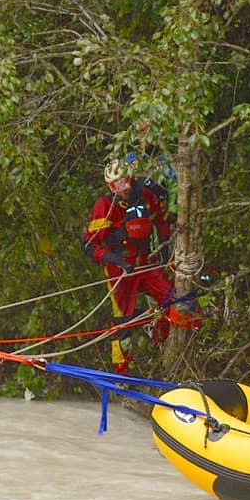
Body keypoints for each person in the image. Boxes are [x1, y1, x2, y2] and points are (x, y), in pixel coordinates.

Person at [82, 160, 174, 375]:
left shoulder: (145, 195)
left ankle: (161, 349)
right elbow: (89, 245)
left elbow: (161, 221)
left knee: (172, 299)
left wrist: (164, 249)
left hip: (146, 263)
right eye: (117, 185)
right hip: (120, 270)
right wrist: (116, 260)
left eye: (124, 182)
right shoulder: (105, 206)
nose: (123, 189)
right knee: (122, 323)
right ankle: (122, 375)